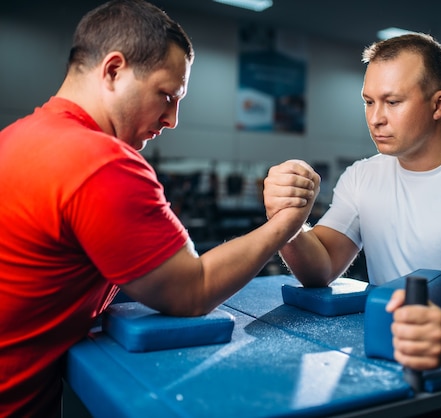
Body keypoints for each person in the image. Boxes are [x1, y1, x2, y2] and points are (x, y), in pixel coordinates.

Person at [0, 1, 319, 416]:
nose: (172, 118)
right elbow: (192, 290)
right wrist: (287, 221)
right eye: (166, 95)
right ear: (113, 71)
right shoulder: (99, 162)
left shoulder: (15, 138)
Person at [264, 33, 441, 372]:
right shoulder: (362, 176)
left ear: (439, 104)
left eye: (392, 102)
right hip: (385, 354)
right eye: (368, 101)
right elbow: (320, 268)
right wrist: (287, 221)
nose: (375, 118)